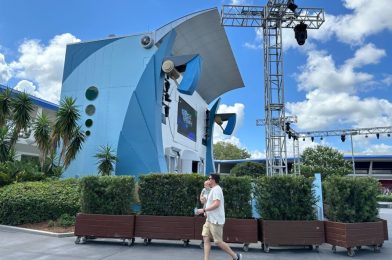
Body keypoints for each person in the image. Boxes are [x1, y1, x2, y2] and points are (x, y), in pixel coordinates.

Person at [196, 174, 242, 260]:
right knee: (206, 238)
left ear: (213, 180)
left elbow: (216, 204)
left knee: (218, 242)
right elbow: (209, 202)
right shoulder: (213, 190)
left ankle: (236, 257)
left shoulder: (217, 189)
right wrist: (204, 202)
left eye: (209, 178)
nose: (208, 180)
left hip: (216, 220)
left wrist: (204, 210)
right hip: (209, 220)